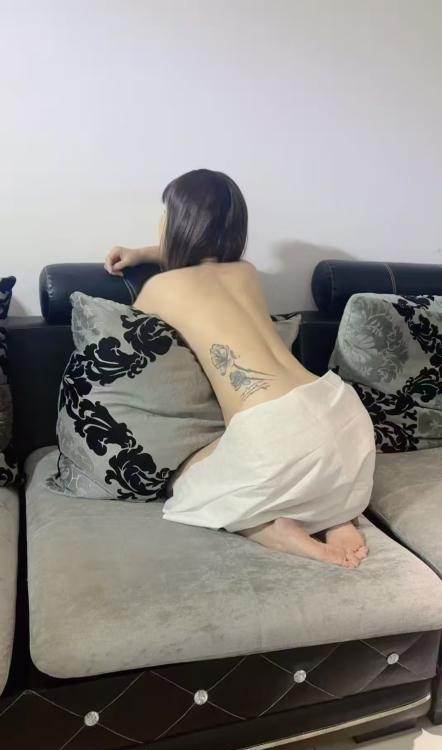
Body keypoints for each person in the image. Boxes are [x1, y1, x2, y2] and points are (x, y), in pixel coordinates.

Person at [105, 169, 376, 568]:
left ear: (174, 223)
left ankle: (270, 527)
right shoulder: (246, 272)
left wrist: (145, 254)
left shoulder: (157, 291)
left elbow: (148, 320)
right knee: (311, 461)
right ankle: (337, 515)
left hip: (275, 432)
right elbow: (202, 262)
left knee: (184, 481)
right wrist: (147, 252)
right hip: (342, 413)